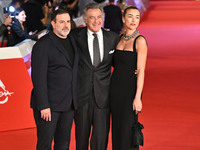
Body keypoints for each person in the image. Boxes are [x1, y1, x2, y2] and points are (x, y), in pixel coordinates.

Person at [70, 3, 119, 150]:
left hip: (103, 98)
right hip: (81, 97)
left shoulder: (113, 38)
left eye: (99, 17)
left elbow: (119, 64)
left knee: (100, 141)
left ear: (103, 18)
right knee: (82, 140)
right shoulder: (74, 37)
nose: (96, 21)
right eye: (92, 18)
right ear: (85, 19)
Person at [31, 8, 79, 150]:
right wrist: (44, 105)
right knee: (45, 144)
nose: (66, 25)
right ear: (53, 23)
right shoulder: (43, 44)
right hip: (49, 106)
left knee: (63, 143)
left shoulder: (72, 40)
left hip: (69, 104)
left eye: (68, 21)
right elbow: (38, 77)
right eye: (62, 22)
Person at [110, 6, 148, 150]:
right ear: (123, 19)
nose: (134, 20)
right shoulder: (119, 38)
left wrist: (138, 97)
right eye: (130, 16)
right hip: (115, 90)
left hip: (130, 91)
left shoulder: (140, 41)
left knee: (127, 128)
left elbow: (141, 70)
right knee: (117, 128)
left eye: (137, 17)